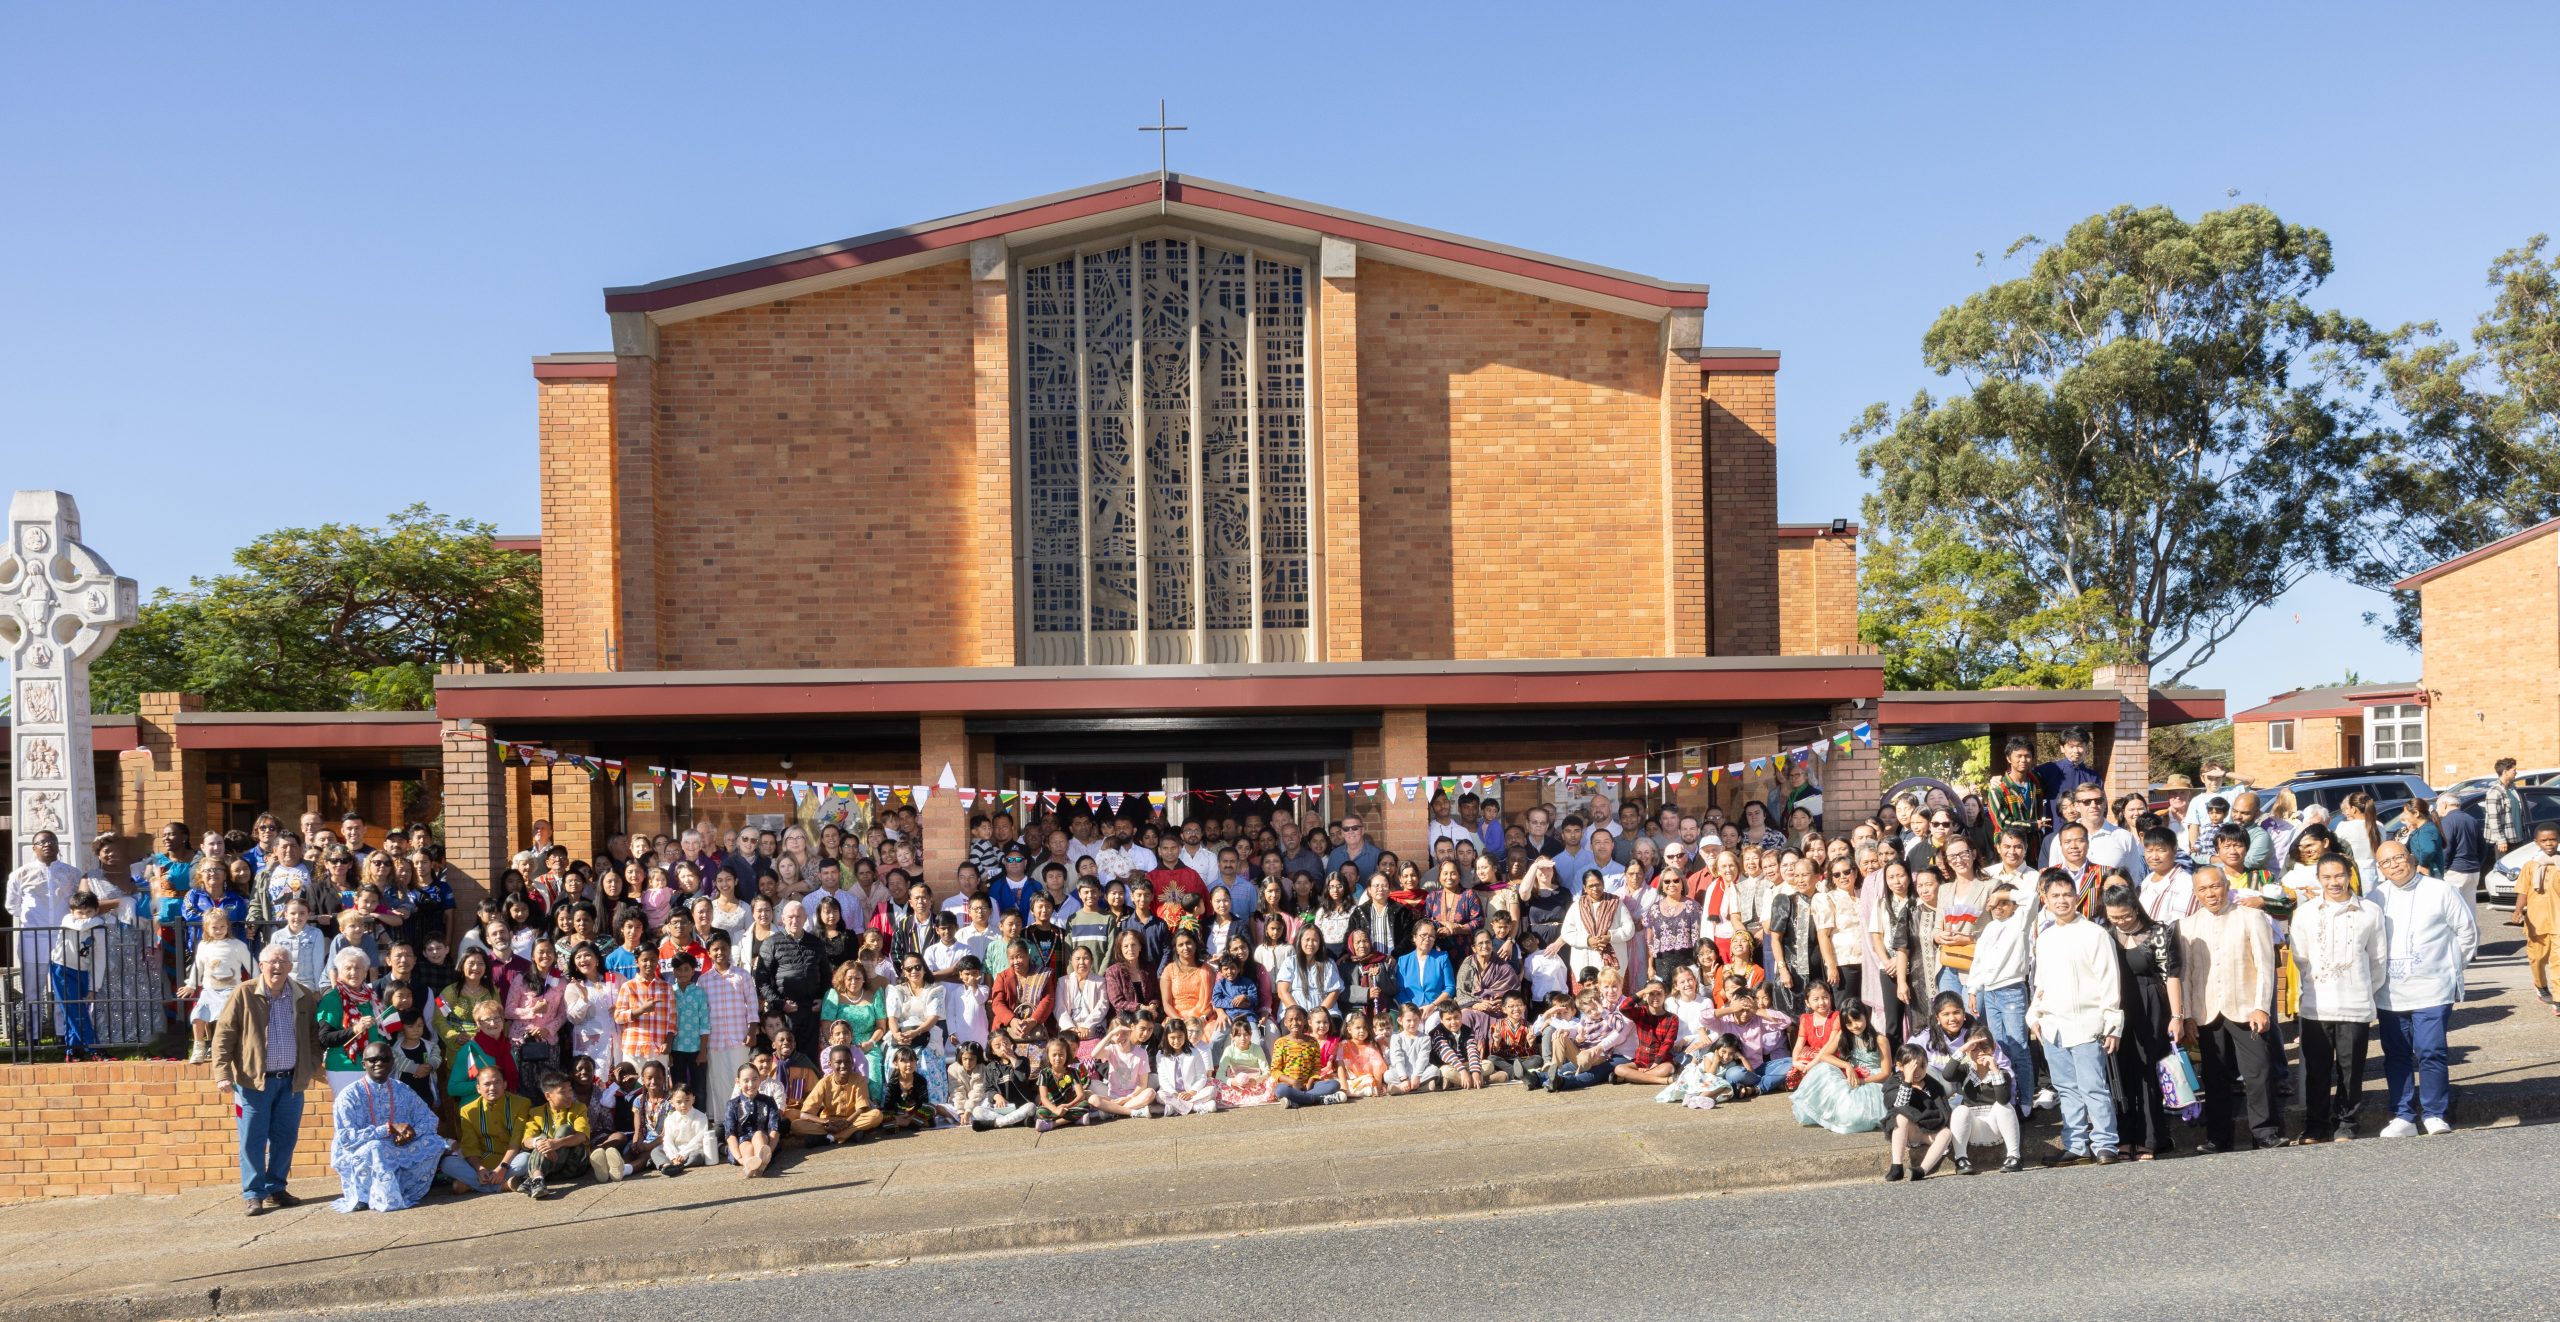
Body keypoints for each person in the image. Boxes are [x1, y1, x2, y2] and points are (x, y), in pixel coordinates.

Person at [2368, 842, 2479, 1137]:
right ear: (2380, 868)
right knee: (2396, 1053)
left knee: (2431, 1051)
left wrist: (2450, 969)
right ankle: (2403, 1115)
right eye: (2386, 862)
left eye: (2398, 858)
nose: (2393, 865)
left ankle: (2434, 1113)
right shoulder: (2375, 897)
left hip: (2433, 989)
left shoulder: (2440, 890)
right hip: (2390, 992)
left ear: (2411, 858)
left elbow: (2467, 932)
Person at [209, 945, 322, 1215]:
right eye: (272, 961)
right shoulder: (244, 993)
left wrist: (310, 1065)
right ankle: (253, 1193)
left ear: (290, 967)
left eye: (283, 961)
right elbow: (224, 1034)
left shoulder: (303, 996)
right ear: (261, 965)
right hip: (253, 1082)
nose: (277, 966)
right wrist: (222, 1073)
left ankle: (275, 1188)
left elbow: (313, 1038)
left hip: (292, 1082)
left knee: (285, 1139)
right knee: (252, 1139)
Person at [2178, 866, 2281, 1154]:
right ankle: (2218, 1137)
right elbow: (2185, 974)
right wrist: (2187, 1015)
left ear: (2226, 886)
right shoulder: (2186, 926)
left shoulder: (2252, 916)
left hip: (2247, 1008)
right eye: (2203, 889)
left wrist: (2262, 1006)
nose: (2210, 893)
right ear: (2196, 893)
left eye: (2215, 886)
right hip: (2207, 1011)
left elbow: (2265, 965)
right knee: (2214, 1077)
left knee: (2258, 1071)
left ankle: (2265, 1132)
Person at [2028, 870, 2121, 1165]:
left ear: (2077, 896)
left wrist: (2113, 1023)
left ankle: (2105, 1143)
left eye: (2067, 894)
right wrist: (2035, 1016)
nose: (2062, 900)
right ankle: (2076, 1144)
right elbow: (2040, 982)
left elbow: (2109, 981)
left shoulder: (2095, 934)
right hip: (2053, 1025)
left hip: (2088, 1023)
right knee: (2067, 1089)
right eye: (2055, 895)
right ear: (2045, 899)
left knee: (2093, 1086)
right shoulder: (2045, 937)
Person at [2292, 854, 2385, 1143]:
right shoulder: (2306, 912)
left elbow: (2378, 960)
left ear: (2350, 876)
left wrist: (2362, 990)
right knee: (2317, 1072)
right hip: (2316, 1006)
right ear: (2318, 880)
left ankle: (2346, 1123)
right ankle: (2316, 1126)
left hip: (2354, 1005)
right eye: (2327, 877)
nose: (2334, 882)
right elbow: (2301, 958)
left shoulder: (2370, 911)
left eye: (2339, 876)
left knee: (2351, 1071)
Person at [2098, 881, 2186, 1160]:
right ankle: (2124, 1138)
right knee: (2120, 1074)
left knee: (2149, 1072)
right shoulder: (2104, 933)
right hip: (2116, 1007)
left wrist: (2177, 1016)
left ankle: (2151, 1138)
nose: (2121, 921)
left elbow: (2171, 975)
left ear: (2136, 907)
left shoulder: (2159, 932)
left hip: (2152, 1005)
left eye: (2126, 915)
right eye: (2115, 917)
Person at [329, 1041, 459, 1212]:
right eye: (373, 1060)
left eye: (384, 1059)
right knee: (376, 1147)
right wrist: (386, 1129)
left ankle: (403, 1190)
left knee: (433, 1142)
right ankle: (365, 1196)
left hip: (397, 1145)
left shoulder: (402, 1089)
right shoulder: (349, 1095)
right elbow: (346, 1138)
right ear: (364, 1064)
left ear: (392, 1062)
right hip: (361, 1149)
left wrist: (411, 1132)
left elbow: (429, 1119)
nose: (379, 1063)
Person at [1882, 1043, 1953, 1182]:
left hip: (1928, 1129)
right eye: (1913, 1067)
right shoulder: (1894, 1082)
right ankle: (1896, 1166)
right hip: (1908, 1132)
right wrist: (1907, 1081)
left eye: (1923, 1066)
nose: (1918, 1071)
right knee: (1901, 1116)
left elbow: (1943, 1110)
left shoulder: (1933, 1085)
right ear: (1900, 1066)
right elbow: (1898, 1106)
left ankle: (1921, 1170)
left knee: (1946, 1133)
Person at [2511, 822, 2560, 1013]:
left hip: (2558, 921)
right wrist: (2517, 910)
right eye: (2544, 840)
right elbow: (2523, 891)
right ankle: (2540, 985)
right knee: (2537, 958)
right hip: (2536, 921)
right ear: (2536, 842)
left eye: (2553, 839)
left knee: (2558, 960)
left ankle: (2558, 999)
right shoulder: (2530, 866)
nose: (2549, 843)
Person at [724, 1063, 783, 1175]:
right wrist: (740, 1158)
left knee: (758, 1135)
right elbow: (730, 1134)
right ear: (738, 1082)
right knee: (747, 1146)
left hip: (765, 1143)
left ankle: (762, 1160)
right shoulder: (732, 1104)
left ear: (760, 1079)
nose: (750, 1084)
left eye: (754, 1079)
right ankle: (750, 1165)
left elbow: (775, 1129)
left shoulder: (768, 1101)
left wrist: (769, 1151)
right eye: (746, 1081)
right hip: (741, 1143)